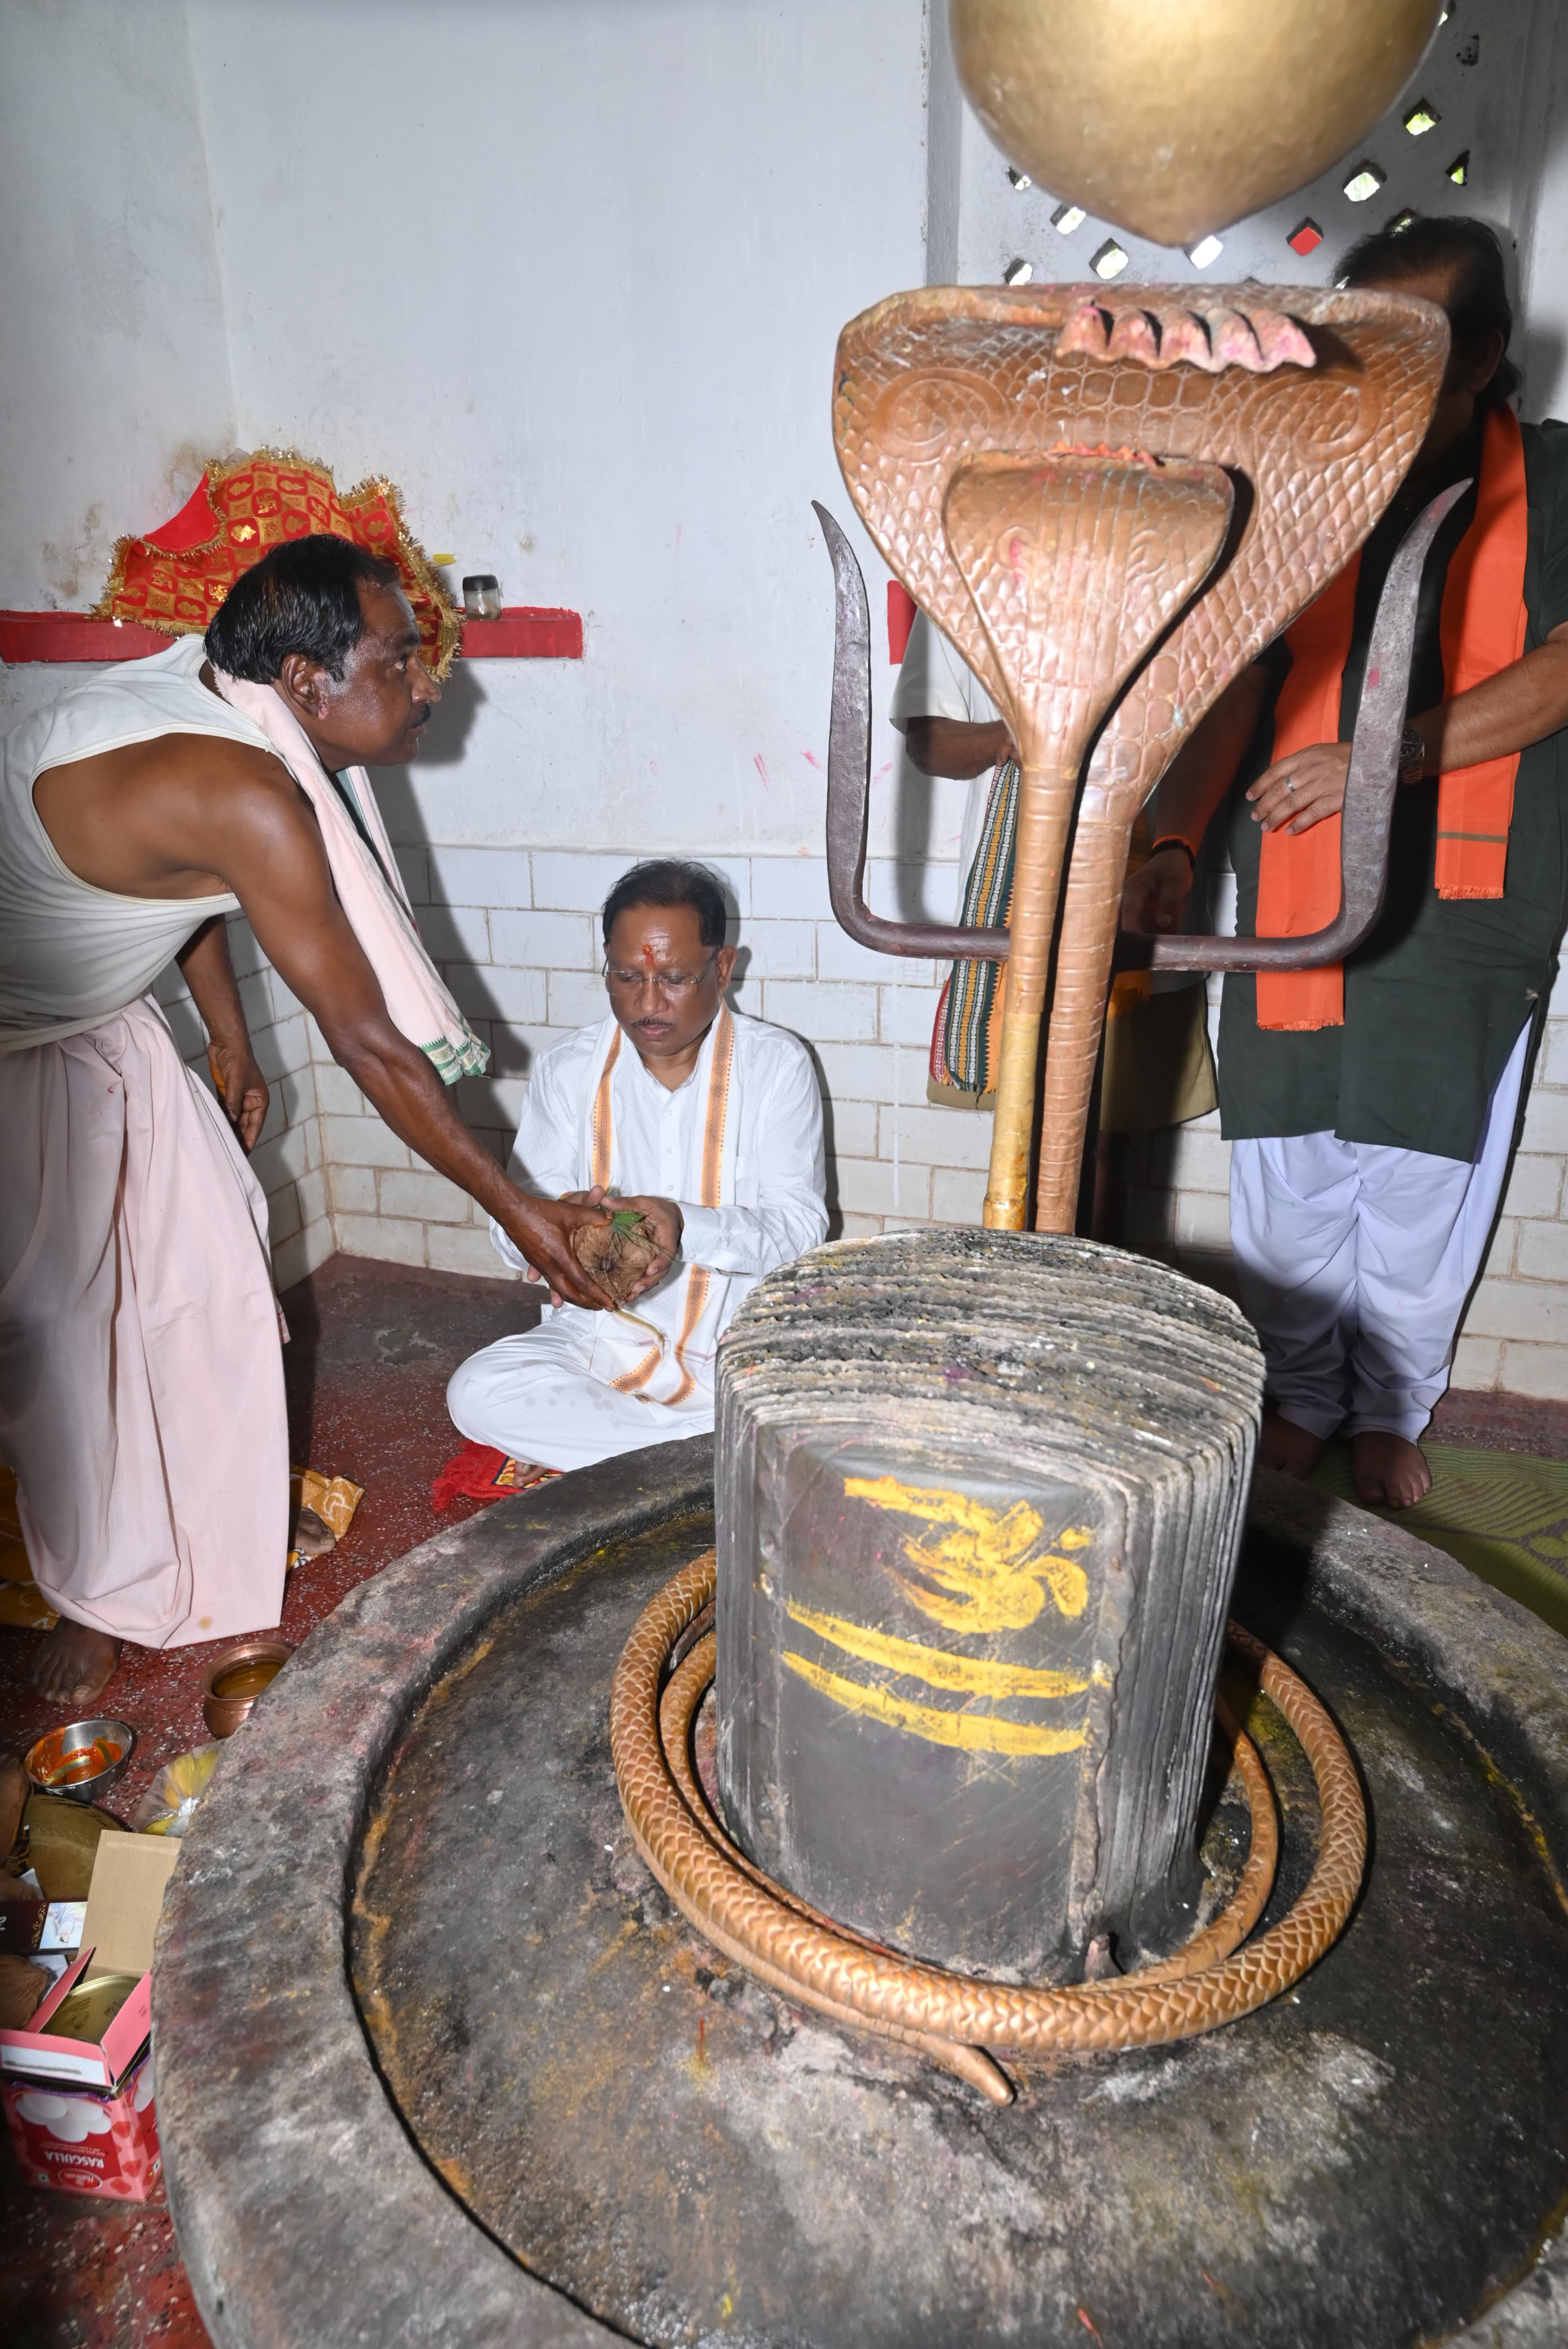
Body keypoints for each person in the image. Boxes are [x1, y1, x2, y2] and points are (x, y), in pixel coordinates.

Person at [0, 535, 617, 1709]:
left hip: (101, 1013)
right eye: (398, 660)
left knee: (208, 1279)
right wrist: (522, 1214)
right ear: (304, 681)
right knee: (58, 1337)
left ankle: (200, 1515)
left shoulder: (218, 708)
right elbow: (370, 1043)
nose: (428, 684)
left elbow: (179, 882)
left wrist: (222, 1029)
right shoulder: (251, 795)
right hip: (23, 1044)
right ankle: (88, 1589)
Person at [1122, 216, 1568, 1508]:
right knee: (1286, 1155)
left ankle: (1387, 1405)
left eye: (1423, 342)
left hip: (1462, 892)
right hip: (1293, 878)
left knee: (1421, 1170)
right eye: (1363, 341)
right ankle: (1300, 1393)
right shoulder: (1299, 488)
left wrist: (1388, 757)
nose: (1389, 369)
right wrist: (1169, 840)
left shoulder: (1550, 476)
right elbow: (1234, 683)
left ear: (1486, 351)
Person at [447, 860, 828, 1470]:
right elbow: (506, 1230)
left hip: (736, 1343)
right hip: (600, 1341)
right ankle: (705, 1463)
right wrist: (551, 1224)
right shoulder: (568, 1067)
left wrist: (684, 1223)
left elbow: (800, 1231)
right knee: (476, 1391)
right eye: (626, 975)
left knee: (816, 1400)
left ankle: (672, 1462)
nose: (648, 1002)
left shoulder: (776, 1065)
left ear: (723, 967)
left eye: (675, 977)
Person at [890, 610, 1218, 1232]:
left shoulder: (1174, 551)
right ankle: (1028, 1290)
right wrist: (1009, 737)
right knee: (1024, 1118)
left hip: (1139, 867)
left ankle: (1085, 1300)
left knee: (1108, 1135)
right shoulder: (964, 567)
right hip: (1021, 886)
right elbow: (926, 739)